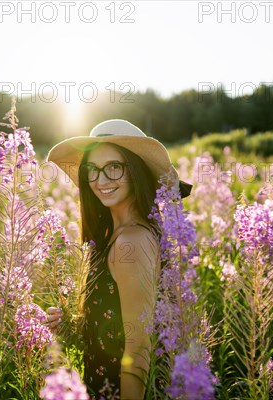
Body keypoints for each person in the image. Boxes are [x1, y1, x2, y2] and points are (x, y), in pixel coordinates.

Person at [44, 119, 192, 400]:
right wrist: (74, 324)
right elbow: (116, 324)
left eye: (114, 167)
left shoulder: (130, 243)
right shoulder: (120, 234)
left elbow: (138, 349)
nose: (101, 180)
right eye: (92, 169)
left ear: (136, 172)